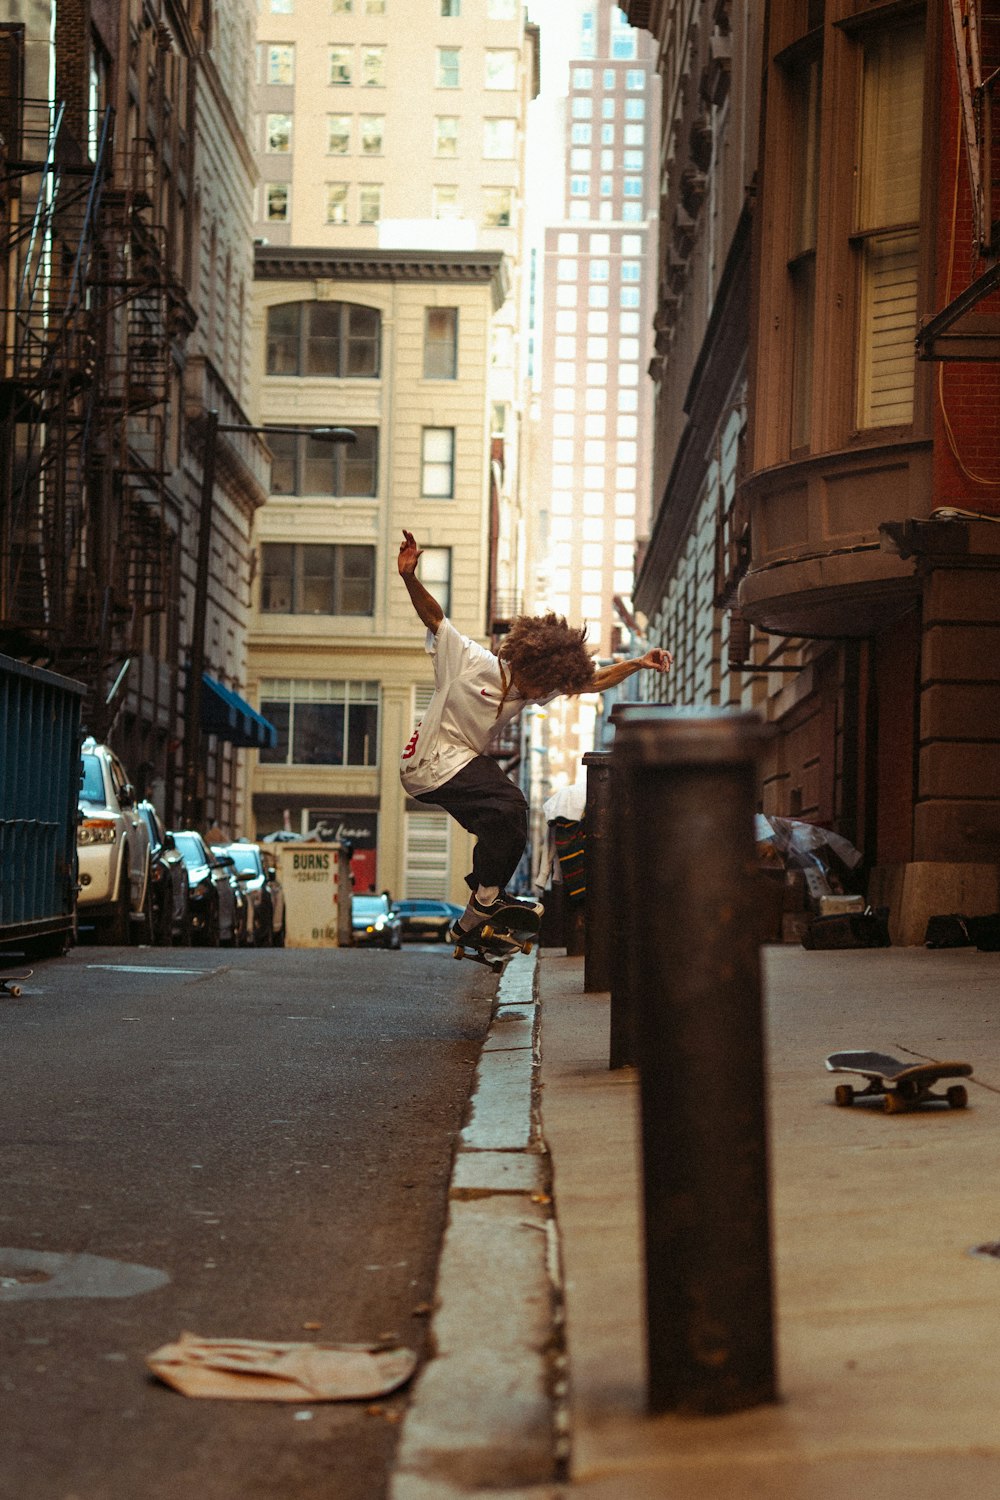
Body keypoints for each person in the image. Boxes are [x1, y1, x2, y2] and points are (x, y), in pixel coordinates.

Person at [397, 529, 673, 936]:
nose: (542, 696)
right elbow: (435, 619)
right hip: (430, 762)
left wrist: (637, 662)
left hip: (454, 768)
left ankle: (472, 920)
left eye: (548, 690)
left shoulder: (535, 688)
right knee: (511, 803)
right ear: (529, 666)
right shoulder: (472, 661)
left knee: (504, 829)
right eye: (541, 687)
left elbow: (590, 682)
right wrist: (409, 577)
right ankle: (488, 897)